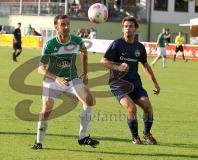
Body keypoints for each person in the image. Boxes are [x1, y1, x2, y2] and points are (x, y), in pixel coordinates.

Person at [31, 15, 99, 149]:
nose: (67, 27)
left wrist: (85, 73)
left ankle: (83, 137)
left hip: (72, 78)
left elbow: (84, 53)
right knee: (47, 108)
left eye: (68, 24)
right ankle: (39, 142)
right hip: (52, 80)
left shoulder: (77, 40)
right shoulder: (50, 44)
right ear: (56, 27)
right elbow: (40, 69)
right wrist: (56, 78)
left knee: (89, 100)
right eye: (63, 24)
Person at [100, 16, 160, 145]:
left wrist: (155, 83)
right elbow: (103, 61)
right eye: (125, 26)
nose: (128, 29)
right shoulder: (117, 44)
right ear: (122, 29)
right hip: (118, 84)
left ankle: (147, 134)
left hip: (135, 84)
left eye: (131, 26)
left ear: (136, 29)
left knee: (148, 107)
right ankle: (135, 137)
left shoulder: (139, 47)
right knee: (131, 108)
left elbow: (145, 65)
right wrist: (118, 67)